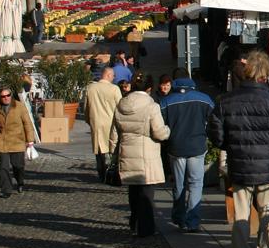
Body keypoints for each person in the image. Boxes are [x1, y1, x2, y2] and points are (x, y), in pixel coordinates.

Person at [207, 50, 269, 248]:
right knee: (267, 210)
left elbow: (215, 133)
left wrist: (229, 146)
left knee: (241, 212)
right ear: (266, 73)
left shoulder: (226, 101)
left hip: (239, 163)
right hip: (267, 166)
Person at [112, 72, 170, 237]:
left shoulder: (122, 104)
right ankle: (145, 228)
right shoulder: (151, 106)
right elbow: (159, 133)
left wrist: (113, 152)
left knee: (133, 189)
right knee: (146, 191)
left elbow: (114, 132)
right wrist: (167, 130)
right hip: (146, 152)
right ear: (149, 88)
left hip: (127, 150)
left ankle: (134, 221)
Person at [161, 68, 214, 232]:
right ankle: (193, 221)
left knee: (179, 184)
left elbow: (160, 125)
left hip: (176, 147)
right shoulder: (204, 99)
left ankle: (179, 217)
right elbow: (214, 120)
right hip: (197, 145)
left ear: (174, 81)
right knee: (196, 184)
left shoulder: (166, 101)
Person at [0, 86, 36, 197]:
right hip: (3, 141)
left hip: (17, 140)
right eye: (3, 96)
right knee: (3, 167)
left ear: (11, 95)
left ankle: (20, 181)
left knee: (18, 166)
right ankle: (6, 190)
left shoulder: (19, 106)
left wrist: (30, 140)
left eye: (8, 95)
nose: (6, 98)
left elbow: (27, 123)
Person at [82, 67, 122, 182]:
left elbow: (86, 108)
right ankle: (112, 172)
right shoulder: (114, 89)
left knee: (99, 150)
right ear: (108, 75)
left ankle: (101, 172)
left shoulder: (90, 88)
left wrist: (89, 121)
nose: (114, 78)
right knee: (113, 148)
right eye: (113, 76)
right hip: (111, 123)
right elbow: (120, 107)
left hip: (96, 122)